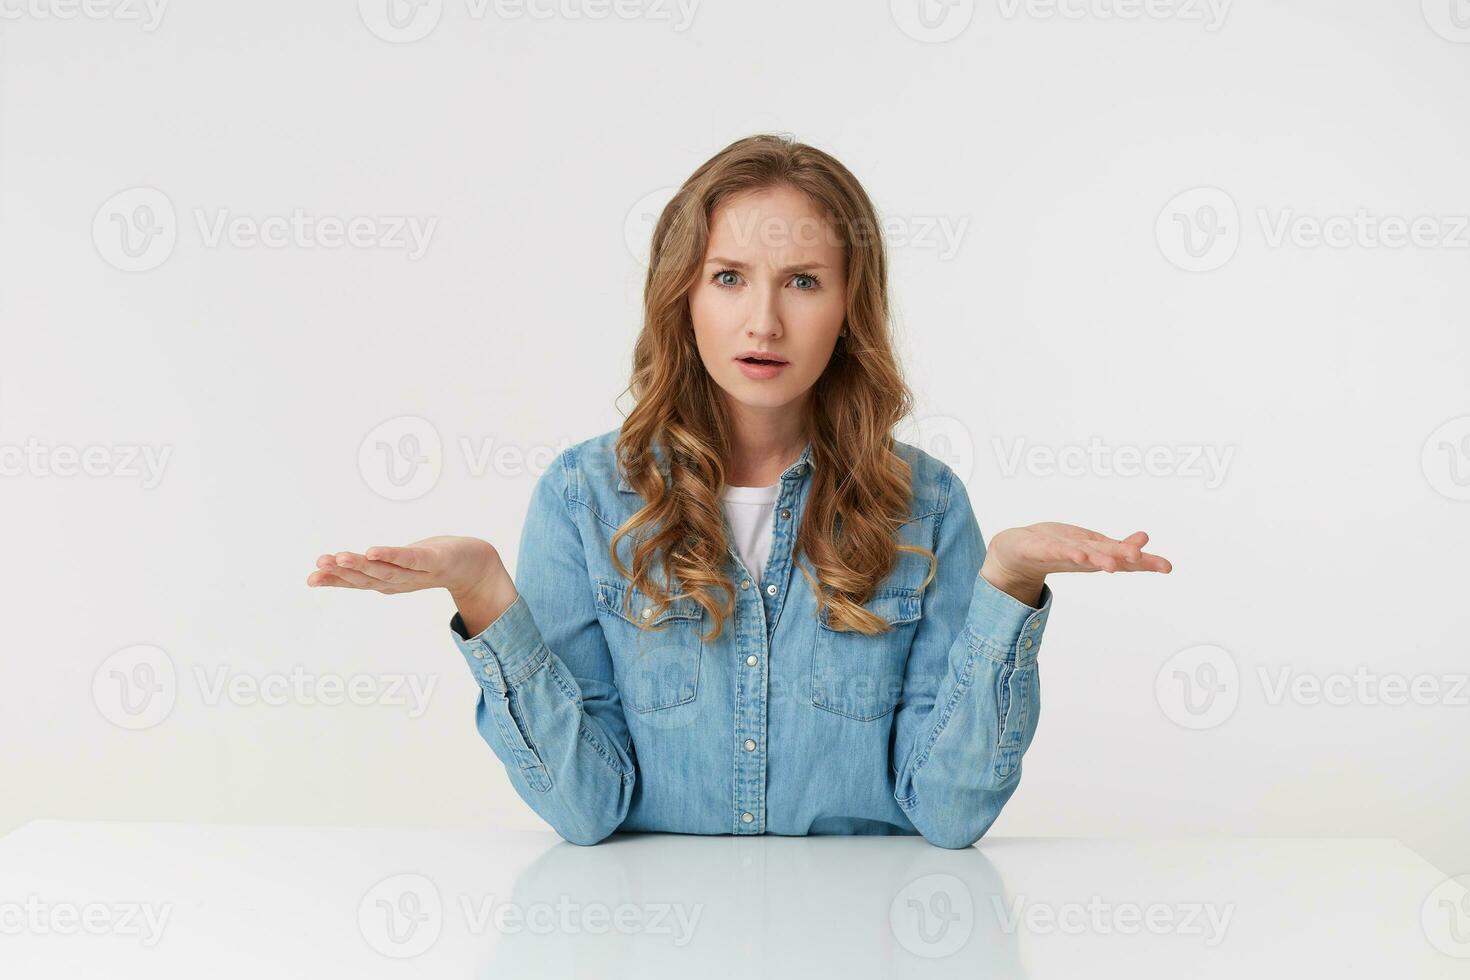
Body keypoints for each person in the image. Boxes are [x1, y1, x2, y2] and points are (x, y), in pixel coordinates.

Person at [306, 134, 1171, 848]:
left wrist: (1008, 587)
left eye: (802, 281)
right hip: (650, 939)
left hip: (864, 940)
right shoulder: (582, 497)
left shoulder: (928, 505)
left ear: (848, 306)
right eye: (729, 278)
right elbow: (585, 811)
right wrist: (486, 595)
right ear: (682, 295)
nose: (764, 321)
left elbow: (947, 815)